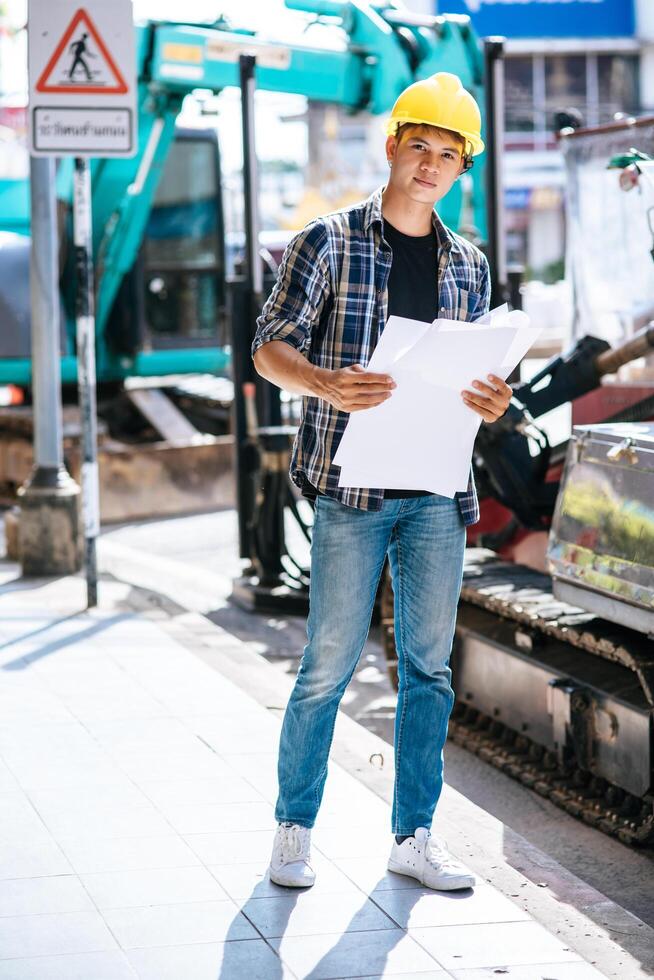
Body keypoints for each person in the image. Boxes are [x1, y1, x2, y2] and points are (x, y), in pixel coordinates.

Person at [252, 72, 512, 891]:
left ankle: (416, 835)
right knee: (327, 664)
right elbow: (269, 348)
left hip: (436, 493)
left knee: (429, 671)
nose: (431, 164)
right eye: (421, 146)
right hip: (352, 494)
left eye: (448, 155)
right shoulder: (326, 242)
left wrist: (495, 400)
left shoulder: (468, 266)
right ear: (394, 146)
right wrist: (326, 381)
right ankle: (294, 830)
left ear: (460, 170)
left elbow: (471, 380)